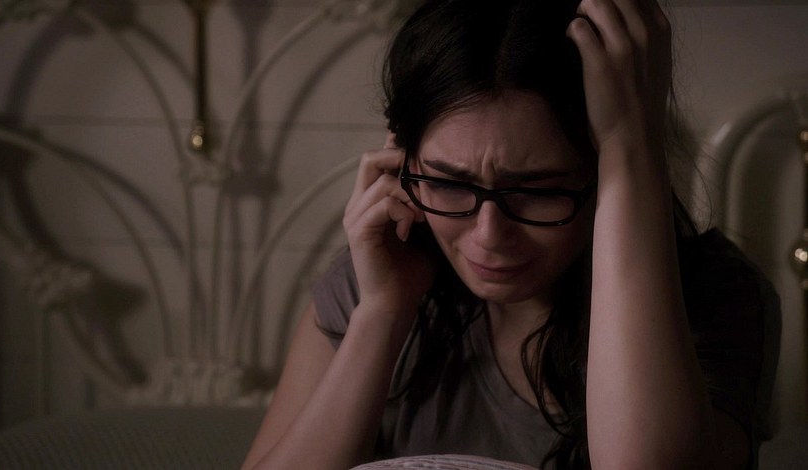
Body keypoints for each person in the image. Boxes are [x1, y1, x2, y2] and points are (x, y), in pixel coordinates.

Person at [242, 0, 779, 468]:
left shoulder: (715, 299)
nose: (489, 235)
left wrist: (631, 142)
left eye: (538, 192)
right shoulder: (370, 283)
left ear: (602, 176)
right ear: (401, 164)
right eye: (449, 184)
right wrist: (381, 314)